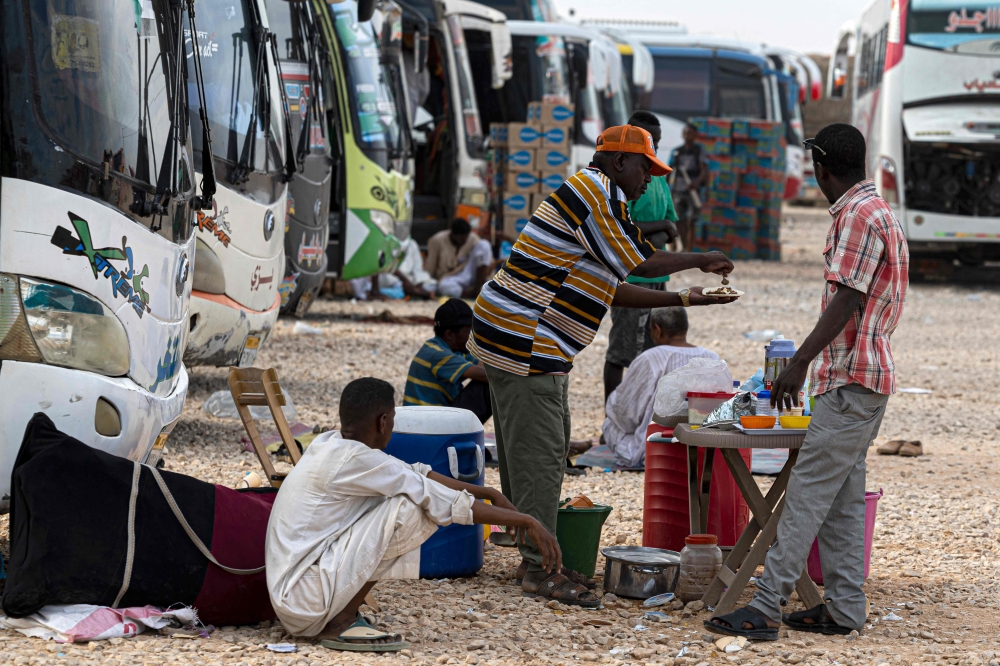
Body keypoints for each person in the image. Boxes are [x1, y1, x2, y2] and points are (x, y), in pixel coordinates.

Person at [468, 124, 736, 606]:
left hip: (508, 331)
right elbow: (642, 264)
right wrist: (703, 258)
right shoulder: (599, 192)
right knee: (541, 453)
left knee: (526, 451)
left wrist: (686, 299)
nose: (648, 182)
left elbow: (609, 286)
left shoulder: (593, 198)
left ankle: (536, 552)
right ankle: (538, 571)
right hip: (527, 339)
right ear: (619, 162)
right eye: (645, 170)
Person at [707, 124, 909, 640]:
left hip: (850, 380)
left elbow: (846, 298)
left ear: (820, 166)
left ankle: (766, 607)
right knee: (842, 500)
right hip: (864, 380)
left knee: (804, 498)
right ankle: (843, 609)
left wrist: (798, 362)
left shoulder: (859, 215)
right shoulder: (878, 209)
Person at [266, 377, 562, 650]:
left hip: (294, 594)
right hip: (304, 601)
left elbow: (415, 473)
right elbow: (434, 497)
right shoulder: (354, 459)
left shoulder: (330, 444)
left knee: (412, 493)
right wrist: (528, 520)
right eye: (392, 423)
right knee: (412, 508)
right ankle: (340, 621)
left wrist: (490, 493)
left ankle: (343, 613)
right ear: (383, 422)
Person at [605, 111, 681, 403]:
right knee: (622, 353)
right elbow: (621, 231)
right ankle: (611, 420)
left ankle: (641, 419)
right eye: (649, 144)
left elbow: (669, 228)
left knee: (653, 353)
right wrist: (659, 228)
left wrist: (659, 229)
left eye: (657, 144)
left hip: (658, 276)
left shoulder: (656, 177)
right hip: (632, 280)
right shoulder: (622, 182)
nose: (655, 151)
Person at [603, 307, 718, 468]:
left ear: (657, 330)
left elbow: (625, 414)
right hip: (704, 444)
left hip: (652, 447)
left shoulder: (650, 358)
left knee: (609, 424)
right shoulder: (712, 357)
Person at [403, 299, 491, 423]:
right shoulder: (438, 355)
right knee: (491, 385)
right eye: (469, 331)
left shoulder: (452, 349)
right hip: (428, 425)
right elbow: (490, 375)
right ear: (449, 334)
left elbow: (485, 365)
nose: (474, 336)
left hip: (432, 420)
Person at [425, 218, 494, 298]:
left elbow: (485, 260)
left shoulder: (473, 238)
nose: (464, 240)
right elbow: (431, 265)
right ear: (453, 234)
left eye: (466, 237)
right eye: (461, 237)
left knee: (484, 244)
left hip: (469, 273)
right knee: (444, 287)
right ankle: (472, 294)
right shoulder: (437, 240)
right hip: (450, 278)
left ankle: (478, 288)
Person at [669, 122, 709, 252]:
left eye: (690, 133)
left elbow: (704, 171)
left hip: (694, 192)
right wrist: (668, 189)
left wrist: (697, 184)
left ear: (695, 135)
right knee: (679, 220)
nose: (687, 135)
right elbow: (670, 171)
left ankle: (689, 249)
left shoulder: (699, 151)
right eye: (686, 133)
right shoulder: (676, 152)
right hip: (679, 190)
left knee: (691, 221)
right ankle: (683, 246)